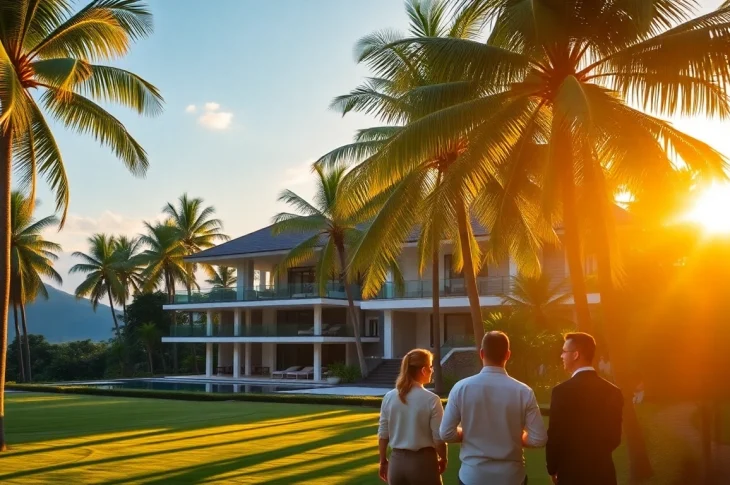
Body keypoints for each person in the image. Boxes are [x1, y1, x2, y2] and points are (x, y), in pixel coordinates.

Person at [440, 331, 547, 485]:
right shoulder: (522, 391)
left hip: (473, 476)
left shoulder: (461, 388)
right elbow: (538, 439)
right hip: (511, 477)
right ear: (508, 354)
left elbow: (446, 434)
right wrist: (518, 436)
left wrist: (466, 432)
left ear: (482, 353)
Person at [546, 332, 624, 485]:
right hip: (604, 473)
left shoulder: (562, 392)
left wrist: (552, 468)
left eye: (564, 351)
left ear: (576, 355)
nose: (561, 356)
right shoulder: (613, 391)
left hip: (571, 473)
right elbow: (615, 438)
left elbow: (556, 435)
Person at [378, 348, 447, 485]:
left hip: (396, 462)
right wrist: (444, 458)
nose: (432, 370)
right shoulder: (431, 399)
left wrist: (383, 461)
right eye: (430, 367)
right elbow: (438, 438)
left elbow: (383, 434)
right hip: (423, 462)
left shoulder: (389, 397)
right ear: (423, 370)